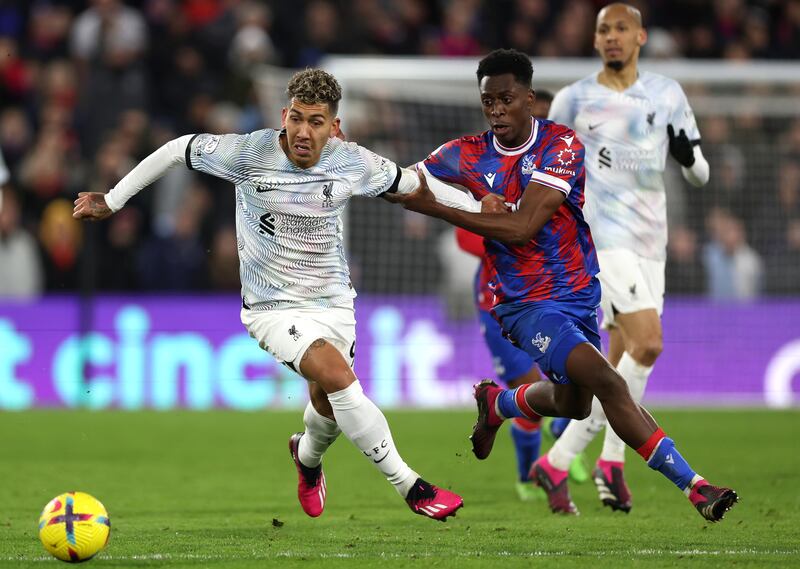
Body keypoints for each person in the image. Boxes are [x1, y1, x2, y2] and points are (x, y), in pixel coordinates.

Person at [73, 68, 481, 522]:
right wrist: (113, 200)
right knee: (339, 377)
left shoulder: (352, 161)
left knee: (327, 404)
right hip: (272, 307)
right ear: (284, 115)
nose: (304, 132)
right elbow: (176, 149)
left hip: (334, 302)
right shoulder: (248, 153)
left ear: (335, 127)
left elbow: (414, 185)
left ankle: (306, 458)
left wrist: (482, 211)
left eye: (317, 122)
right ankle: (412, 486)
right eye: (297, 119)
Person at [397, 48, 737, 522]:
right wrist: (348, 160)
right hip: (523, 304)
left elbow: (522, 228)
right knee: (607, 381)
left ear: (530, 100)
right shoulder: (463, 153)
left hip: (577, 296)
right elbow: (402, 180)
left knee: (574, 404)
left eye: (506, 99)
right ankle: (696, 486)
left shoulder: (562, 145)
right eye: (488, 101)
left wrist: (451, 209)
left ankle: (499, 403)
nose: (496, 110)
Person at [543, 2, 711, 514]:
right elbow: (544, 166)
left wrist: (688, 157)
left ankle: (561, 461)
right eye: (603, 30)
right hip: (598, 239)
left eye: (621, 28)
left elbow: (699, 172)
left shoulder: (667, 95)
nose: (612, 37)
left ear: (640, 37)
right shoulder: (573, 100)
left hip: (649, 242)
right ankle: (611, 459)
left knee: (622, 357)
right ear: (594, 41)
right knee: (650, 341)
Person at [454, 89, 590, 503]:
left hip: (556, 295)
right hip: (500, 302)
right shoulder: (490, 172)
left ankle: (561, 446)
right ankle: (530, 478)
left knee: (576, 386)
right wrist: (513, 237)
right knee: (528, 385)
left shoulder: (558, 171)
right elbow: (466, 236)